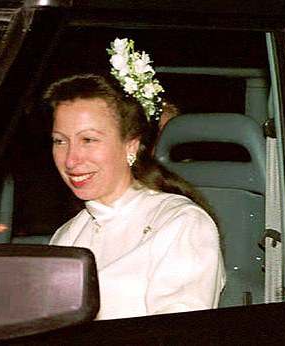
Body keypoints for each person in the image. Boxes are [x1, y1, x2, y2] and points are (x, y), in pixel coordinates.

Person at [43, 73, 226, 320]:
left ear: (130, 146)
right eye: (60, 141)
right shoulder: (68, 235)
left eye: (89, 140)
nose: (71, 160)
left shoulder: (181, 224)